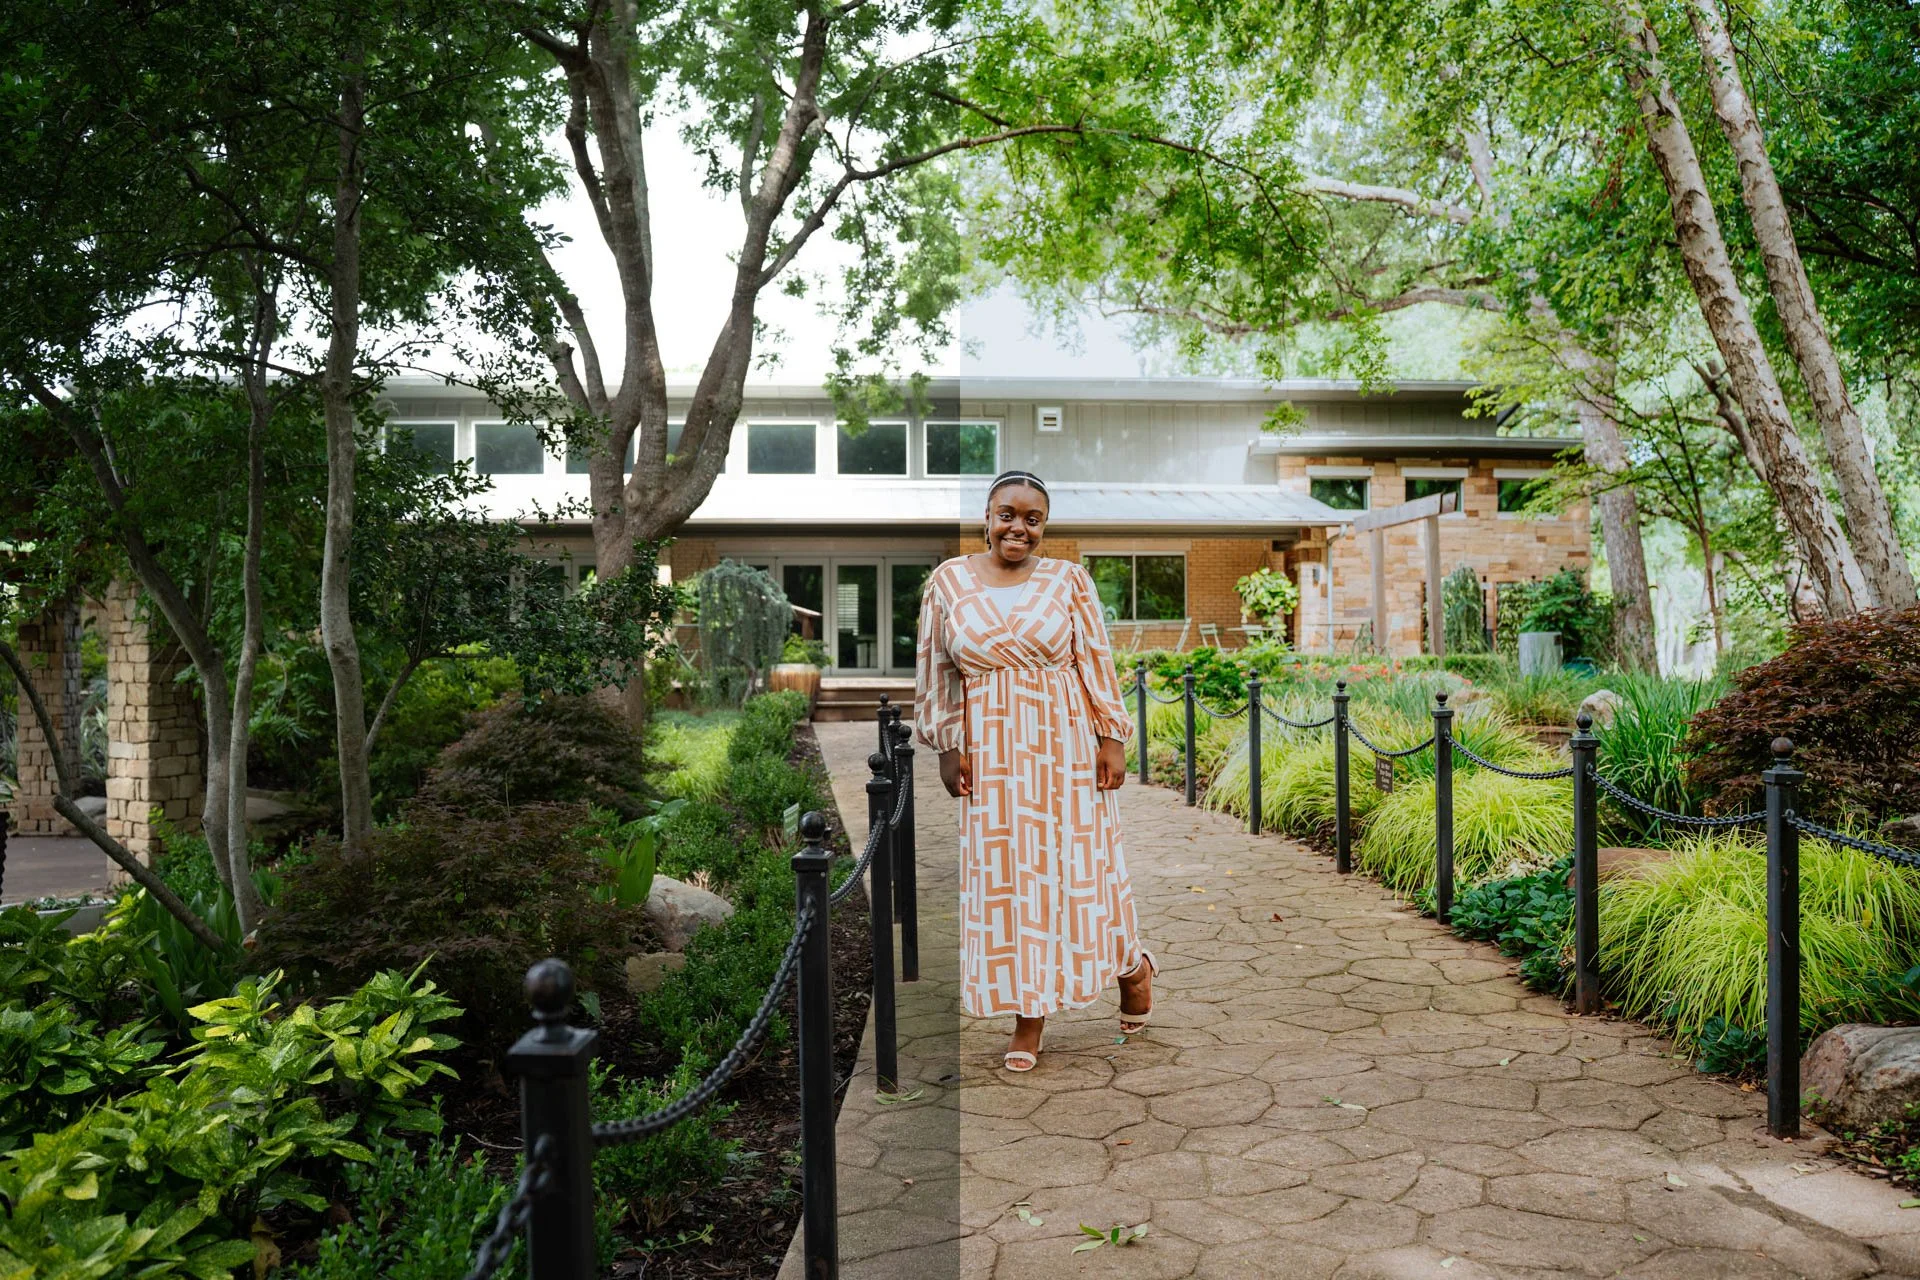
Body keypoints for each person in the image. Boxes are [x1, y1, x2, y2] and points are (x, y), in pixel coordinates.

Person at [913, 469, 1157, 1072]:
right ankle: (1029, 1014)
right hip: (991, 749)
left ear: (1044, 526)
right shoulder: (947, 583)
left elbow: (1094, 659)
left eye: (1032, 518)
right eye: (1007, 514)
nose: (1018, 527)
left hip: (1064, 744)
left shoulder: (1068, 580)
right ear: (986, 517)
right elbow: (938, 669)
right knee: (1009, 880)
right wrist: (948, 746)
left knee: (1082, 870)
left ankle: (1131, 965)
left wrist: (1112, 738)